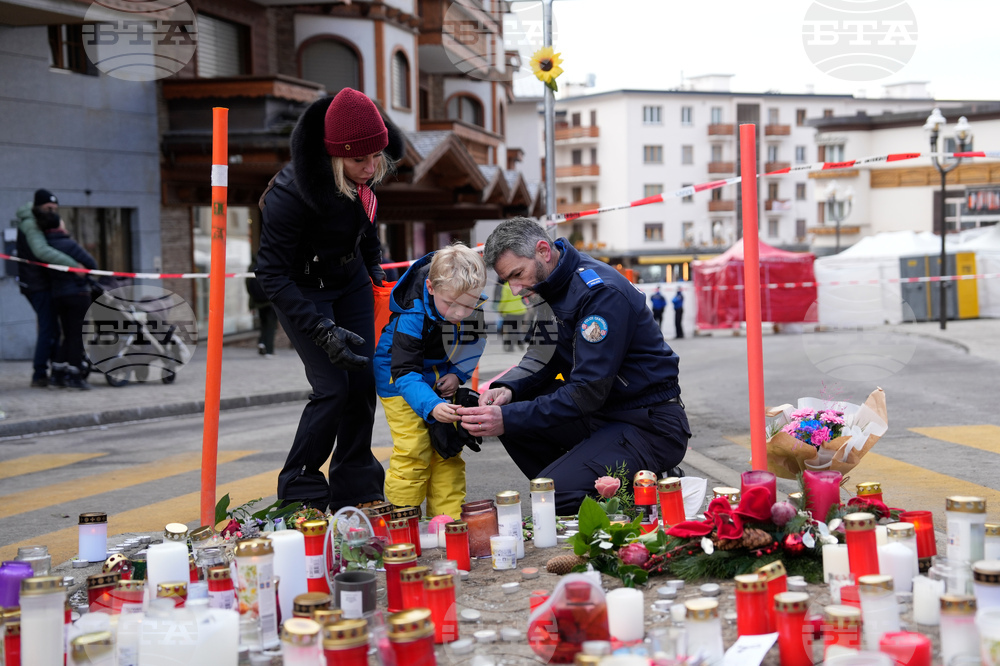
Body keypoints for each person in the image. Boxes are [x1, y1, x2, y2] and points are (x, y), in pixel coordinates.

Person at [457, 217, 691, 514]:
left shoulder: (600, 293)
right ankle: (575, 482)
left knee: (552, 494)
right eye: (508, 281)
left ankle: (648, 490)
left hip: (648, 424)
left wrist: (508, 416)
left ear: (543, 250)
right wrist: (507, 388)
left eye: (518, 274)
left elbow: (586, 392)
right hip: (605, 415)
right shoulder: (549, 289)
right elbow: (540, 356)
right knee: (516, 415)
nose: (515, 290)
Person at [256, 88, 405, 512]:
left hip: (350, 278)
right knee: (332, 389)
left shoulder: (362, 178)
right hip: (300, 288)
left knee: (361, 384)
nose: (371, 168)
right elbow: (270, 274)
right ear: (334, 157)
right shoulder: (289, 196)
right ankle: (300, 487)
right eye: (360, 161)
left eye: (376, 157)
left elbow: (366, 227)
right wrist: (320, 330)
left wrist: (375, 267)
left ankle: (357, 486)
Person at [374, 244, 488, 519]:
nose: (460, 313)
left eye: (468, 305)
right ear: (431, 287)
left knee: (446, 448)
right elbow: (404, 372)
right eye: (451, 304)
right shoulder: (411, 315)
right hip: (399, 381)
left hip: (438, 377)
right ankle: (404, 517)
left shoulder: (472, 305)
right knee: (415, 449)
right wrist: (431, 405)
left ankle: (446, 521)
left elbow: (473, 343)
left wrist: (457, 374)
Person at [15, 189, 82, 387]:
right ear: (38, 206)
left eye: (54, 208)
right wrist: (74, 266)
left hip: (41, 283)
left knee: (53, 328)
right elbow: (42, 251)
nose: (52, 212)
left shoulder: (37, 220)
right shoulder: (30, 223)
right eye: (48, 208)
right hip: (37, 284)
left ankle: (54, 371)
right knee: (49, 328)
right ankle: (40, 374)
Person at [38, 212, 97, 390]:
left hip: (58, 296)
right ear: (58, 226)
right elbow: (92, 265)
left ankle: (57, 374)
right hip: (77, 295)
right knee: (76, 336)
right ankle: (75, 376)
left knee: (67, 335)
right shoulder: (68, 244)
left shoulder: (44, 247)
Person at [246, 255, 277, 358]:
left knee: (263, 323)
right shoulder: (269, 264)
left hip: (258, 302)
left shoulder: (252, 266)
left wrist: (252, 303)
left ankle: (262, 343)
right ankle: (269, 350)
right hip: (269, 301)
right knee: (271, 326)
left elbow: (248, 285)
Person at [496, 281, 527, 351]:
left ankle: (511, 347)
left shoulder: (507, 286)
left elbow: (504, 299)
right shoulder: (521, 284)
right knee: (517, 328)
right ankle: (520, 342)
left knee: (510, 329)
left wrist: (500, 309)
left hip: (509, 311)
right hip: (521, 310)